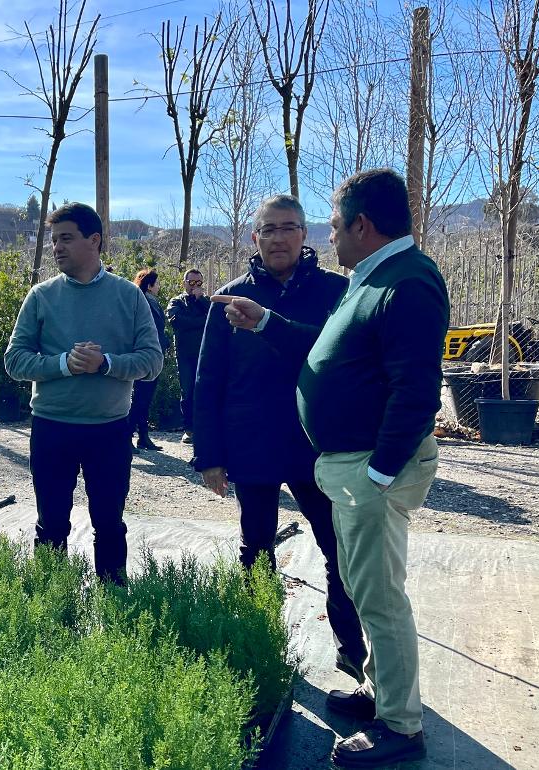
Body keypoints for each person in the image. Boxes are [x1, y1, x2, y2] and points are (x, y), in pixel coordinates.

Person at [216, 170, 448, 767]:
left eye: (336, 224)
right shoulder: (372, 278)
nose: (330, 234)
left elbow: (417, 392)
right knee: (369, 592)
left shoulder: (409, 284)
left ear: (364, 226)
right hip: (354, 466)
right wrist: (266, 322)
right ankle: (380, 693)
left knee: (379, 600)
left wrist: (379, 475)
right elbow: (330, 348)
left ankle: (401, 726)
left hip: (373, 472)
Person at [196, 195, 366, 691]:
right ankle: (260, 640)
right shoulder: (229, 298)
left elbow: (348, 359)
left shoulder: (336, 292)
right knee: (256, 549)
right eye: (267, 229)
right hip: (252, 444)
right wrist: (209, 454)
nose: (278, 237)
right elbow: (209, 381)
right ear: (254, 238)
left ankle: (353, 653)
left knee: (339, 550)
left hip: (319, 446)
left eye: (288, 227)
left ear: (305, 234)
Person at [4, 203, 164, 584]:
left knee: (109, 525)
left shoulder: (129, 296)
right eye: (55, 239)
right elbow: (15, 361)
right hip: (52, 429)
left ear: (94, 241)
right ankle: (52, 606)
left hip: (108, 431)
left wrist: (105, 363)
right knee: (52, 524)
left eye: (67, 238)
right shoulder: (41, 297)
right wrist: (64, 364)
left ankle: (113, 609)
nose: (57, 247)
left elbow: (152, 361)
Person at [127, 267, 170, 453]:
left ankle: (143, 437)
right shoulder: (142, 302)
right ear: (150, 285)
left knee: (145, 399)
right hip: (143, 357)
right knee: (138, 399)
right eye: (157, 283)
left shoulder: (153, 302)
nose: (159, 286)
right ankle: (127, 437)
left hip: (154, 355)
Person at [165, 269, 210, 443]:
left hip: (204, 353)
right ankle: (189, 429)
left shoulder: (205, 302)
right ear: (184, 283)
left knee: (203, 390)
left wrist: (200, 302)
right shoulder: (176, 301)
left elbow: (214, 317)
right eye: (191, 283)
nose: (195, 287)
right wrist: (201, 322)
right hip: (184, 354)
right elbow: (178, 322)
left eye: (198, 283)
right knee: (187, 391)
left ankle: (203, 427)